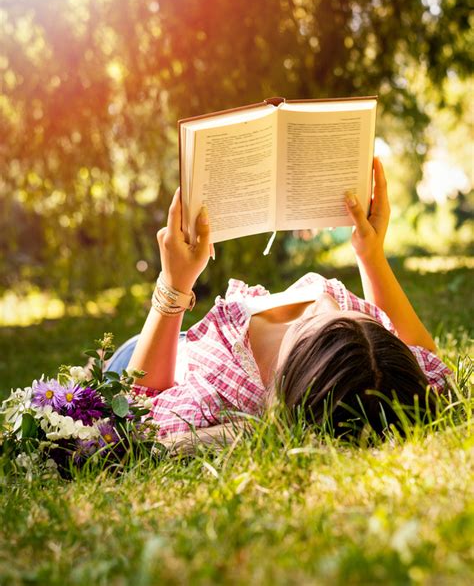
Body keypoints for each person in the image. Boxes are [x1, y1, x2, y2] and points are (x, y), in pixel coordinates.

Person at [108, 158, 451, 441]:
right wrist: (371, 254)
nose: (318, 307)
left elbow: (139, 413)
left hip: (142, 359)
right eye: (366, 321)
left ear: (295, 372)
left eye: (311, 328)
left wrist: (173, 284)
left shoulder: (222, 388)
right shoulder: (378, 371)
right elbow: (427, 359)